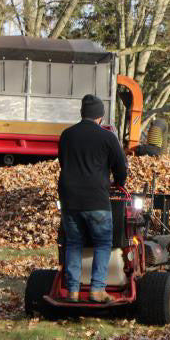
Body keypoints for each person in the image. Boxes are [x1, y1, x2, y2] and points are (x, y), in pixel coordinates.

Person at [58, 94, 127, 303]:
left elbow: (63, 162)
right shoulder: (107, 137)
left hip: (69, 198)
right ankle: (97, 289)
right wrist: (119, 183)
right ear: (100, 116)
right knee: (103, 243)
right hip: (96, 199)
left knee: (73, 243)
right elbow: (120, 166)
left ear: (82, 113)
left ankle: (72, 290)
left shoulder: (67, 135)